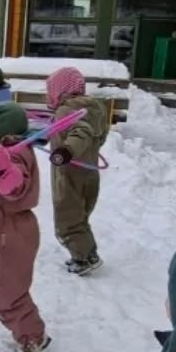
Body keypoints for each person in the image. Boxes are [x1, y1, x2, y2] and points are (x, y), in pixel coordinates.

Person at [0, 101, 49, 352]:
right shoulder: (0, 152)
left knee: (9, 292)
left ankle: (32, 335)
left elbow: (13, 186)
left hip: (12, 232)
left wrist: (3, 168)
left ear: (1, 132)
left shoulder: (15, 155)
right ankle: (28, 326)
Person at [45, 66, 109, 274]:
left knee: (67, 220)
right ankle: (88, 253)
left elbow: (81, 131)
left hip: (69, 173)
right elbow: (97, 134)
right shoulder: (94, 108)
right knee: (79, 216)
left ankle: (84, 259)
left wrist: (66, 150)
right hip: (89, 173)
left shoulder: (66, 110)